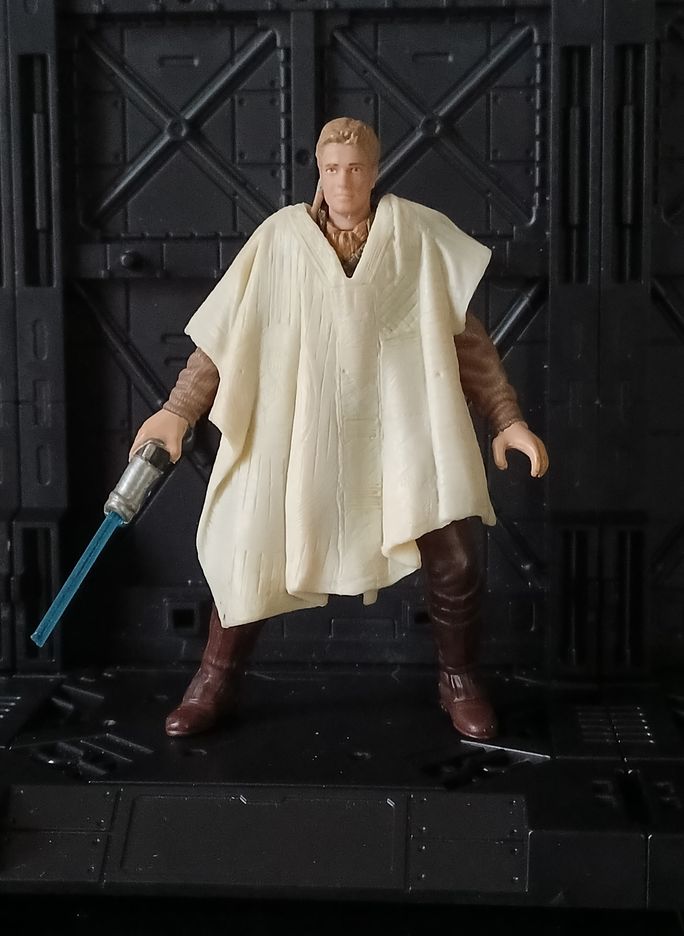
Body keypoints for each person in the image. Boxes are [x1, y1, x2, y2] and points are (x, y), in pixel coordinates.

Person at [130, 117, 549, 742]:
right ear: (319, 173)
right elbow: (226, 336)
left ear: (374, 172)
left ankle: (458, 678)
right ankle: (214, 679)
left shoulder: (416, 236)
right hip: (303, 428)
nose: (344, 181)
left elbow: (466, 337)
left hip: (404, 426)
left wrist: (507, 418)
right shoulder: (280, 239)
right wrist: (177, 410)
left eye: (356, 169)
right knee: (249, 545)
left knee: (457, 557)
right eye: (332, 169)